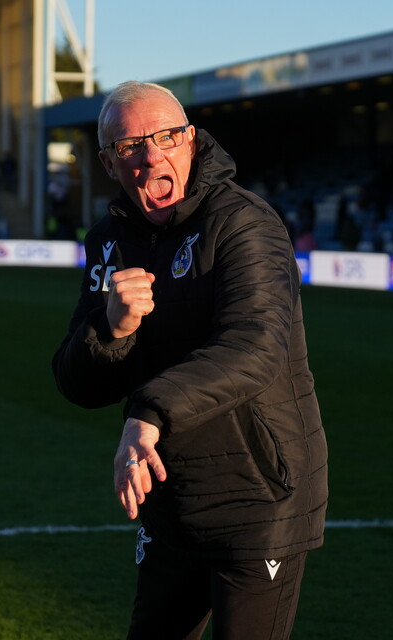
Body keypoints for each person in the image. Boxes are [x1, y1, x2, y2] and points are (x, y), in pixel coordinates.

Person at [52, 81, 328, 640]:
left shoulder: (245, 224)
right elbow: (76, 382)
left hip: (257, 496)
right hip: (171, 496)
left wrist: (148, 413)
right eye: (130, 147)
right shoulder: (109, 242)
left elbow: (255, 346)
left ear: (192, 141)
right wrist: (110, 328)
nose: (152, 156)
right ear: (109, 163)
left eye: (167, 137)